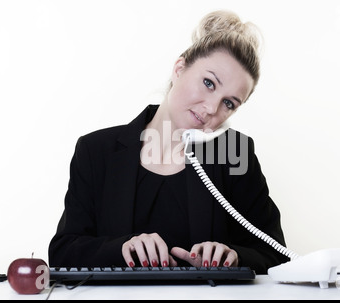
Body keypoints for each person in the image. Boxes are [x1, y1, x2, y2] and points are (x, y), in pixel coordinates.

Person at [48, 10, 290, 274]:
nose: (211, 108)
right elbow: (63, 252)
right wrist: (122, 249)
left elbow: (276, 253)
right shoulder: (96, 151)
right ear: (179, 69)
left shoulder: (234, 153)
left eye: (229, 103)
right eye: (209, 83)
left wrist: (233, 256)